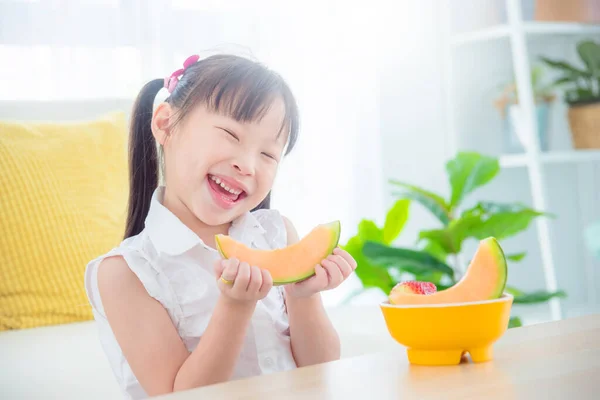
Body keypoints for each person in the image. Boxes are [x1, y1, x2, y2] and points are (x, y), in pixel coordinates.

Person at [84, 54, 358, 399]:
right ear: (166, 124)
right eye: (231, 135)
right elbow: (178, 394)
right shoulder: (125, 273)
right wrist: (235, 306)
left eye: (268, 155)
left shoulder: (276, 233)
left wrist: (304, 295)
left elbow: (321, 368)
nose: (246, 165)